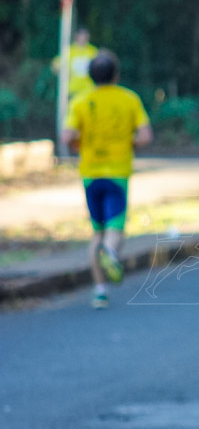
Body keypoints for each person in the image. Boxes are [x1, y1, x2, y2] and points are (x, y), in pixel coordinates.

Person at [60, 51, 153, 309]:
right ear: (116, 74)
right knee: (115, 229)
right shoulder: (129, 99)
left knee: (96, 232)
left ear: (90, 76)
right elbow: (145, 136)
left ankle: (100, 290)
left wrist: (83, 143)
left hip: (90, 173)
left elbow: (67, 137)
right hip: (117, 172)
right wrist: (127, 141)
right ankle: (111, 254)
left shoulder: (80, 101)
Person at [53, 27, 99, 98]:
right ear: (76, 36)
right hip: (73, 89)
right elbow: (56, 66)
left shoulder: (93, 51)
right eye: (81, 36)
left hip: (89, 89)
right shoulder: (69, 51)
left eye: (85, 36)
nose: (83, 38)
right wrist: (61, 71)